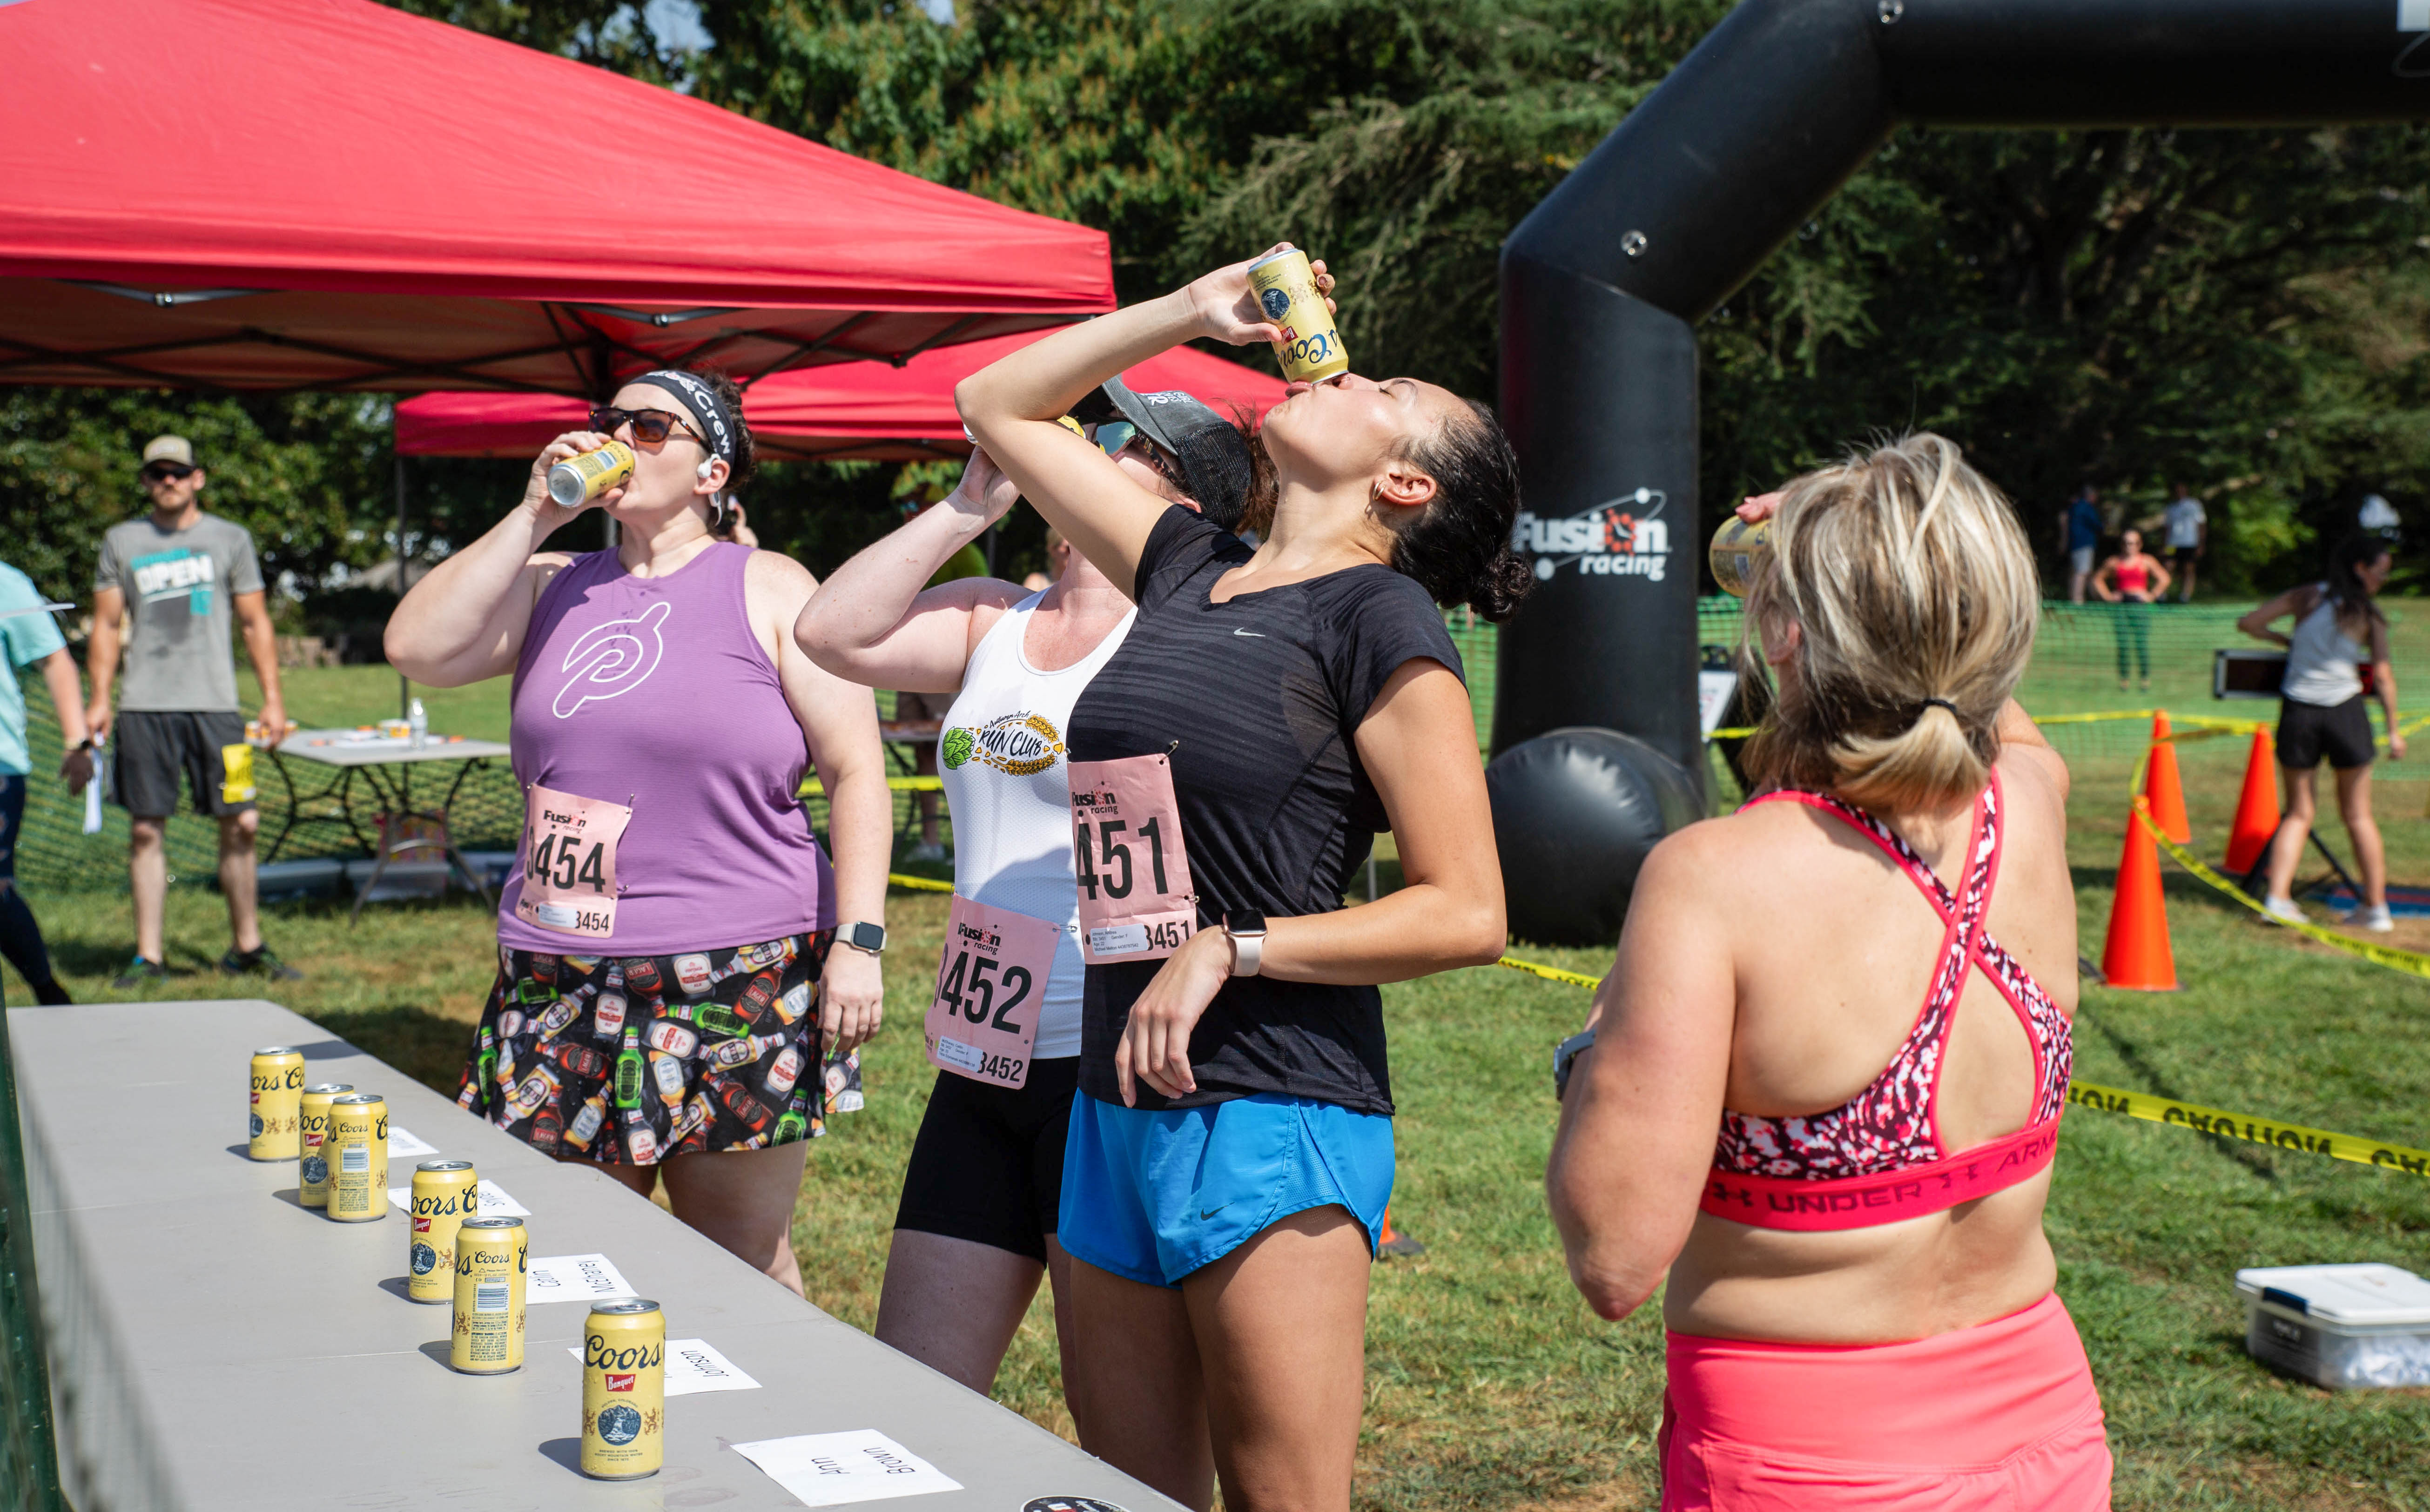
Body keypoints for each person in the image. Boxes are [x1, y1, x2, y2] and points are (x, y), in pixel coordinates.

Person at [956, 246, 1520, 1512]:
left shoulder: (1378, 619)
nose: (1342, 361)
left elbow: (1470, 910)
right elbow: (995, 404)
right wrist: (1187, 312)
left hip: (1270, 1110)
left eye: (1389, 386)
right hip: (1117, 1097)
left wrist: (1230, 946)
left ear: (1403, 479)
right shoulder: (1183, 565)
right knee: (1133, 1494)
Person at [1546, 435, 2109, 1511]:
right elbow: (1976, 692)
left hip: (1804, 1455)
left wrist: (1595, 1044)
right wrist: (1848, 532)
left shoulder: (1713, 878)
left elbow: (1612, 1259)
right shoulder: (2028, 806)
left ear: (1782, 631)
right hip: (2044, 1429)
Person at [795, 377, 1257, 1405]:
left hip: (1119, 1071)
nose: (1074, 444)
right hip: (983, 1058)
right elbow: (829, 633)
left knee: (1129, 1434)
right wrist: (968, 508)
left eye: (1110, 437)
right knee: (910, 1396)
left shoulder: (1193, 637)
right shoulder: (992, 618)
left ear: (1179, 503)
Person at [386, 367, 892, 1296]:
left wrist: (859, 943)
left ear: (714, 471)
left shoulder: (772, 585)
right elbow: (416, 646)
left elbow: (856, 769)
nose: (619, 436)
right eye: (609, 420)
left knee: (739, 1260)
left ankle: (773, 1420)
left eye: (653, 427)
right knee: (569, 1256)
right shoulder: (553, 584)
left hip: (734, 972)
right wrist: (536, 514)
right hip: (557, 970)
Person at [87, 435, 298, 988]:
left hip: (219, 711)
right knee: (145, 831)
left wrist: (273, 699)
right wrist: (98, 699)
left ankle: (247, 946)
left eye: (178, 472)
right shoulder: (122, 540)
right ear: (146, 481)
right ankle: (148, 956)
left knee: (243, 823)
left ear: (198, 477)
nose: (169, 482)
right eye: (158, 473)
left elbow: (255, 623)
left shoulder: (230, 538)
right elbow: (107, 626)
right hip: (143, 710)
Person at [2237, 536, 2403, 932]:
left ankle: (2277, 899)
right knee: (2358, 813)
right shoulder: (2369, 613)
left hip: (2300, 713)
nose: (2383, 578)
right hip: (2346, 714)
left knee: (2298, 811)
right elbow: (2381, 675)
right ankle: (2376, 908)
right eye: (2381, 571)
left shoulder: (2305, 597)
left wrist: (2280, 640)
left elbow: (2249, 622)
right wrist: (2394, 731)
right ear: (2360, 568)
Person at [0, 561, 93, 1006]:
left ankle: (48, 992)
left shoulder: (5, 583)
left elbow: (55, 661)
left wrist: (78, 741)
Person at [2091, 527, 2171, 692]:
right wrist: (2108, 596)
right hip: (2121, 606)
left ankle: (2145, 680)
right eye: (2127, 543)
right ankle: (2124, 680)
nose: (2130, 546)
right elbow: (2097, 579)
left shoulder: (2147, 561)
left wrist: (2152, 595)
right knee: (2123, 644)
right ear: (2122, 544)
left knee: (2141, 644)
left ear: (2140, 544)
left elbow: (2164, 578)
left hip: (2140, 605)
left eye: (2134, 543)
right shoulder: (2114, 562)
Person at [2163, 482, 2207, 602]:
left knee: (2188, 569)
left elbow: (2201, 525)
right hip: (2172, 544)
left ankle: (2185, 596)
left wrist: (2201, 544)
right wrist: (2164, 544)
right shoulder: (2171, 507)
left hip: (2190, 543)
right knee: (2168, 566)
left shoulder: (2195, 505)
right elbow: (2167, 528)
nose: (2179, 492)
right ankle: (2162, 594)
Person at [2063, 484, 2102, 604]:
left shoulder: (2074, 506)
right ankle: (2077, 600)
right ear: (2091, 496)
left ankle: (2097, 598)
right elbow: (2098, 525)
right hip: (2084, 544)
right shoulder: (2086, 507)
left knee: (2082, 572)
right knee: (2081, 573)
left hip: (2075, 544)